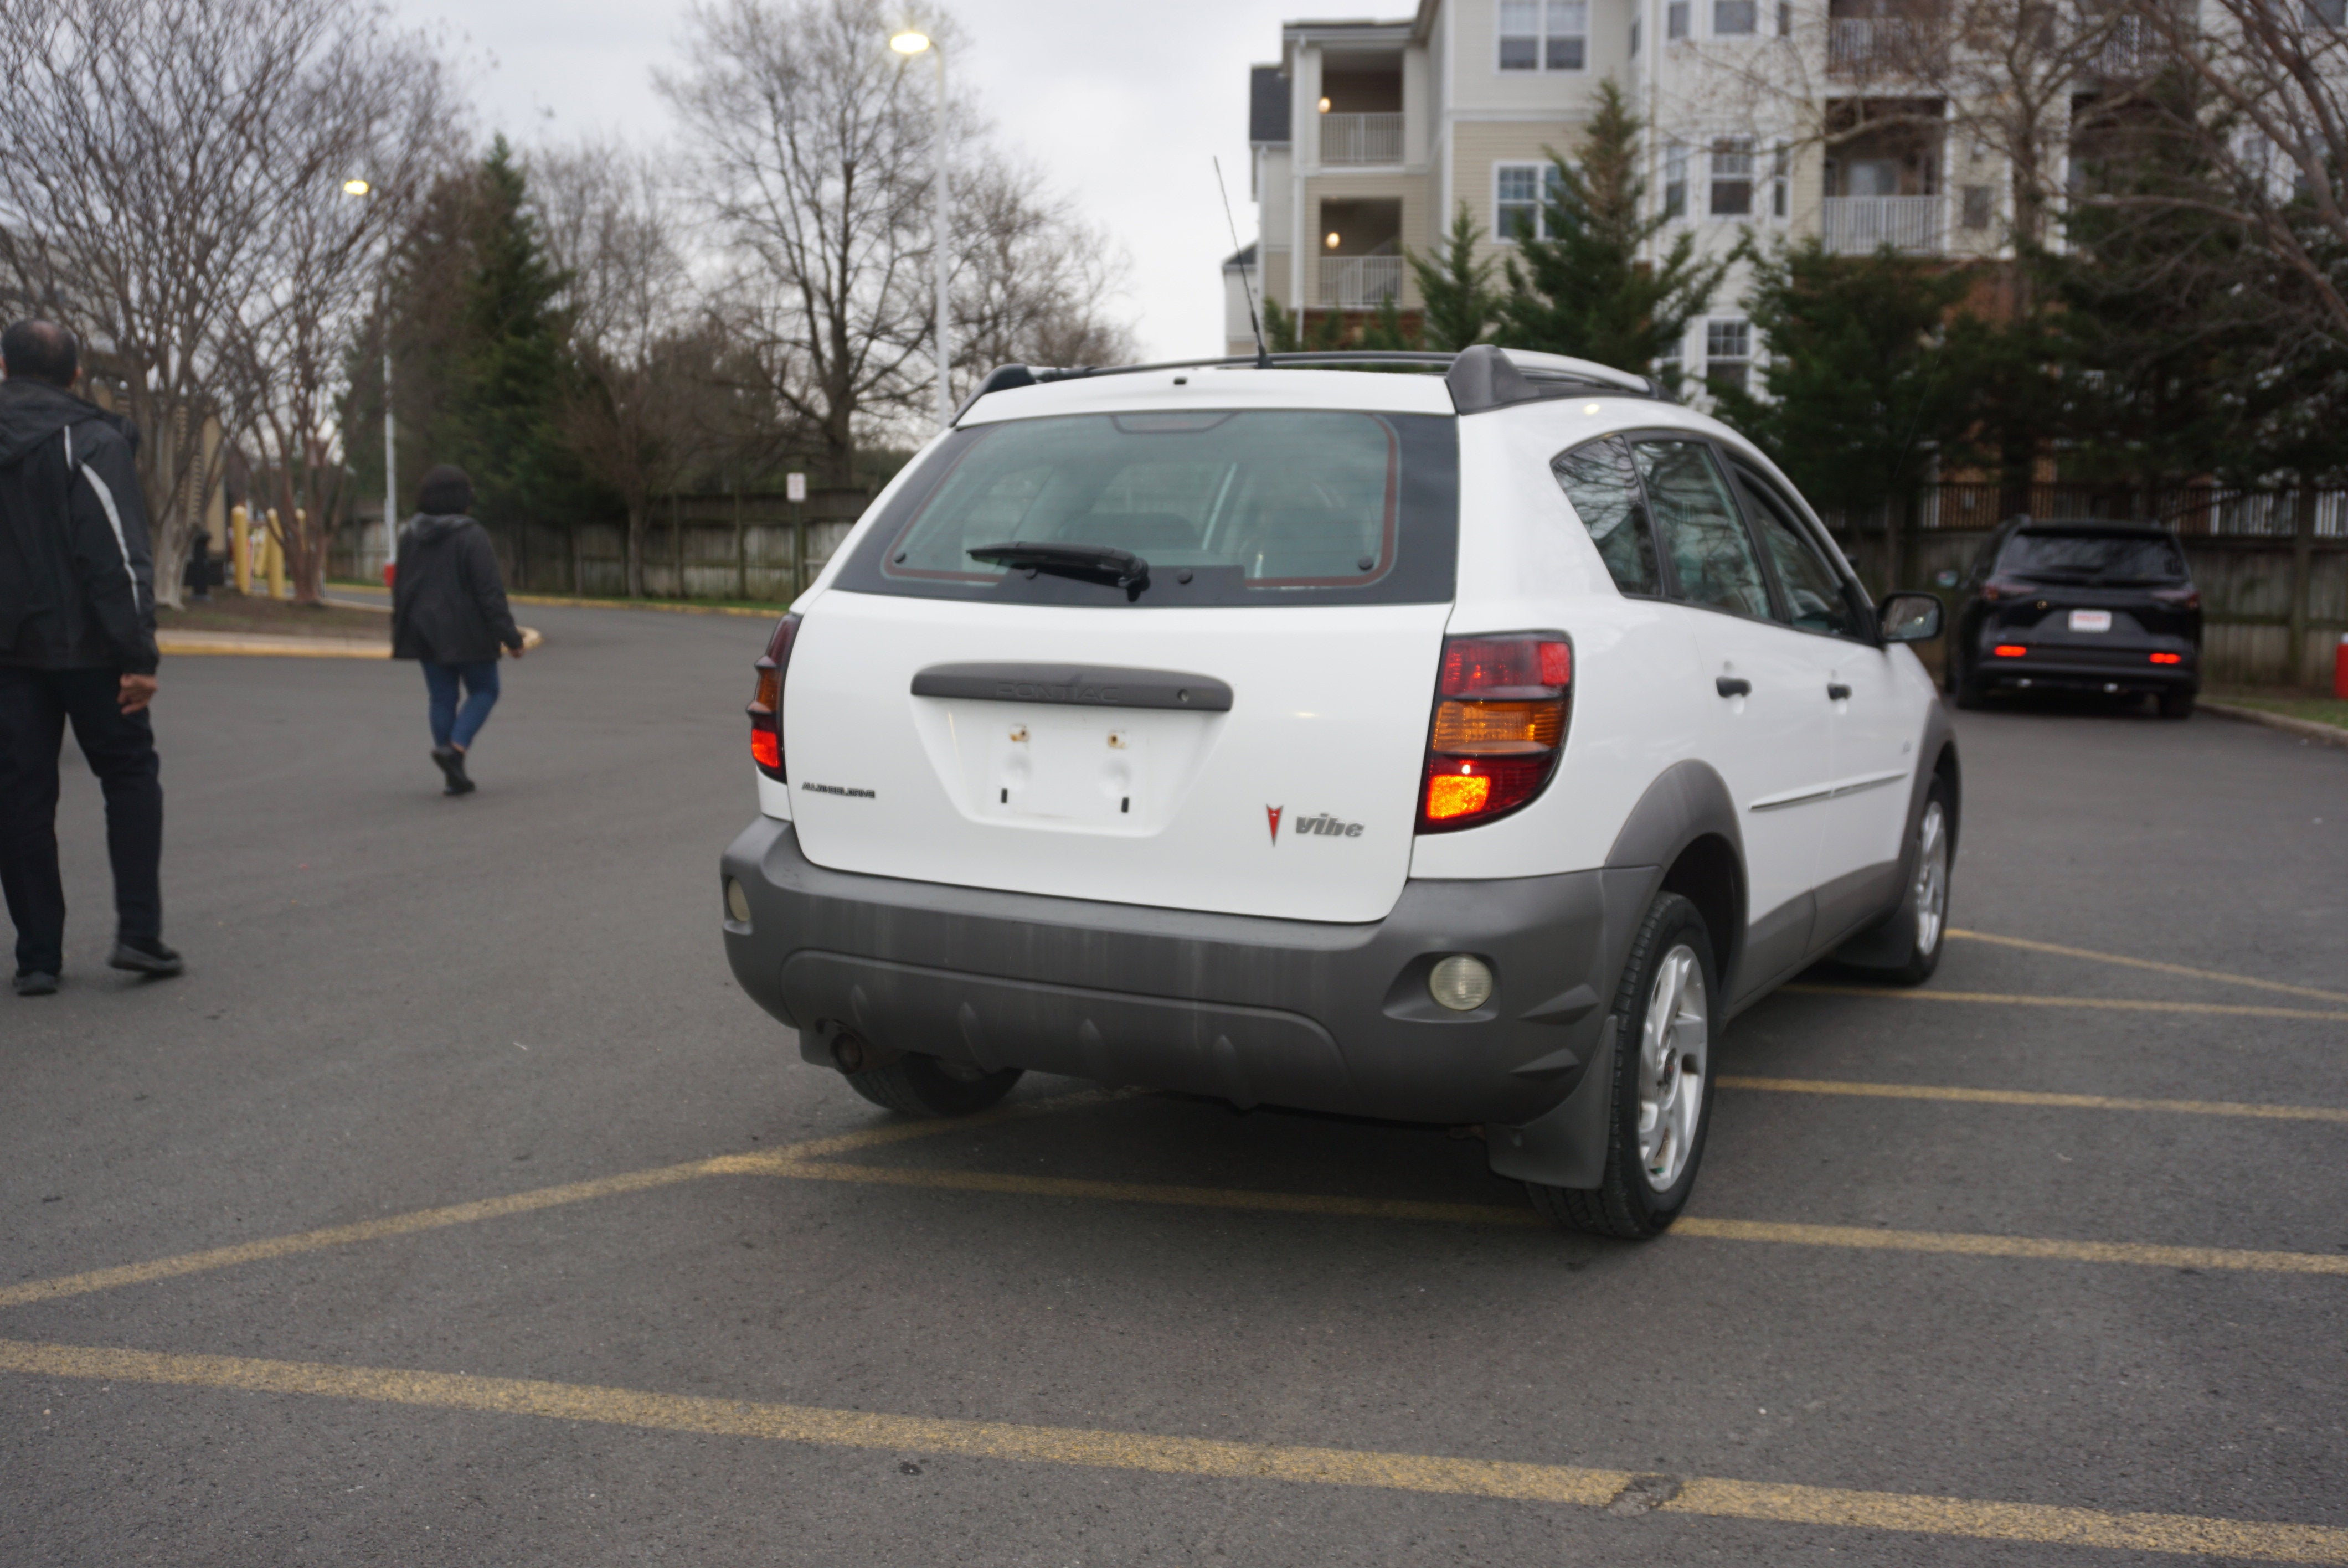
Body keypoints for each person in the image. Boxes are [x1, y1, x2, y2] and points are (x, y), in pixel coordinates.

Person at [0, 318, 180, 996]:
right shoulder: (91, 440)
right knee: (129, 775)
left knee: (18, 797)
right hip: (92, 650)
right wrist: (139, 653)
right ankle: (139, 934)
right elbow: (115, 555)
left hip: (8, 657)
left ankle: (38, 957)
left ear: (3, 367)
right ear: (77, 374)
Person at [389, 465, 524, 795]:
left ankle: (453, 773)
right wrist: (510, 636)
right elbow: (489, 592)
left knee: (442, 696)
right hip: (469, 632)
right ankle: (456, 749)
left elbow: (400, 587)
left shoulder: (410, 536)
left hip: (424, 629)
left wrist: (403, 627)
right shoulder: (470, 535)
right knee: (485, 691)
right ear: (462, 498)